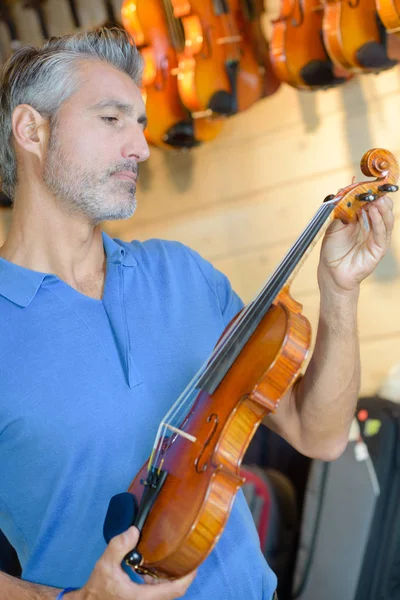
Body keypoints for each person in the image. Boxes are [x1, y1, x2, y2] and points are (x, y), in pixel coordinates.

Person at [0, 26, 394, 600]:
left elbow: (320, 433)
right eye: (112, 121)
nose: (139, 146)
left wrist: (340, 290)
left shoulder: (182, 274)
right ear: (31, 129)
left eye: (140, 124)